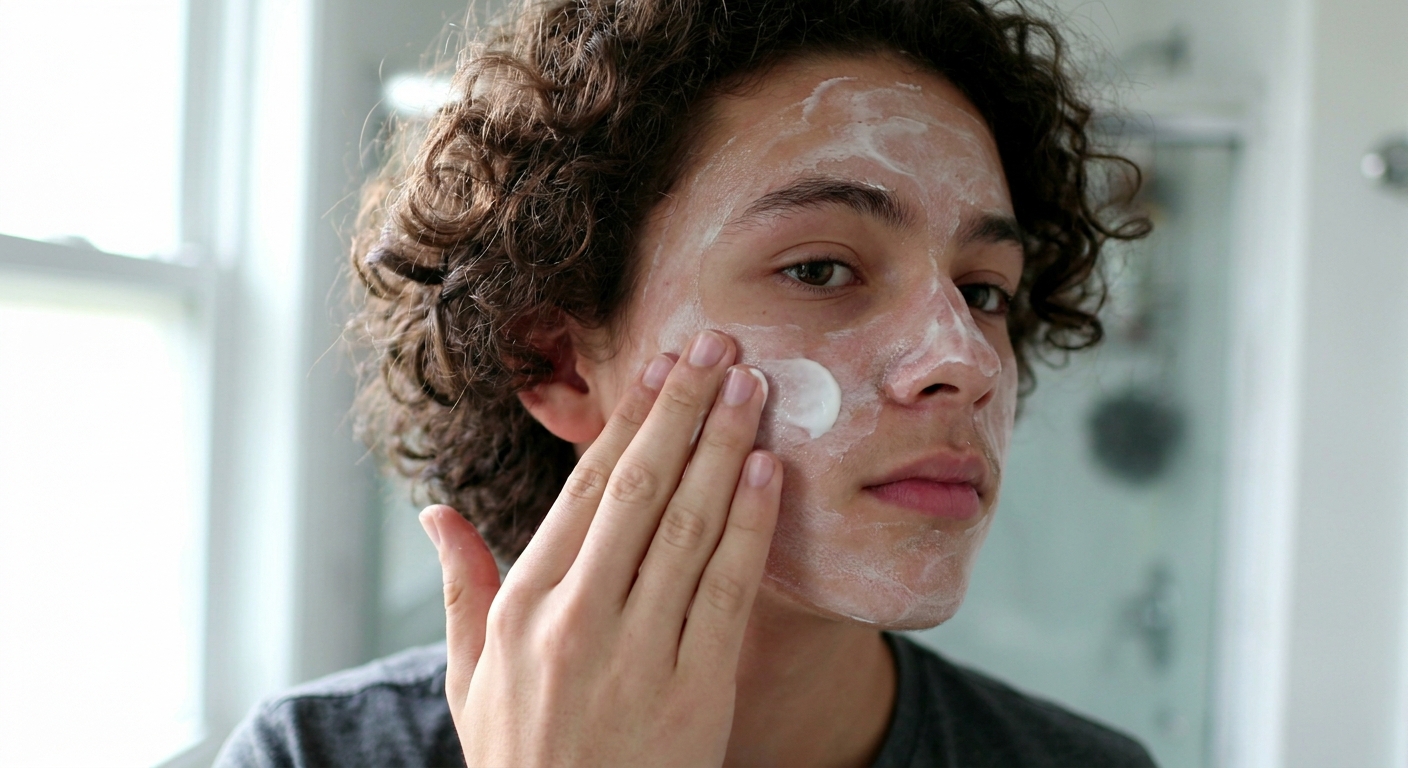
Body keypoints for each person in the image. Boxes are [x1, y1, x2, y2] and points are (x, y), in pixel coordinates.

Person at [217, 0, 1156, 765]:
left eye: (985, 290)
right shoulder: (312, 755)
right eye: (821, 269)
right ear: (557, 361)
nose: (969, 360)